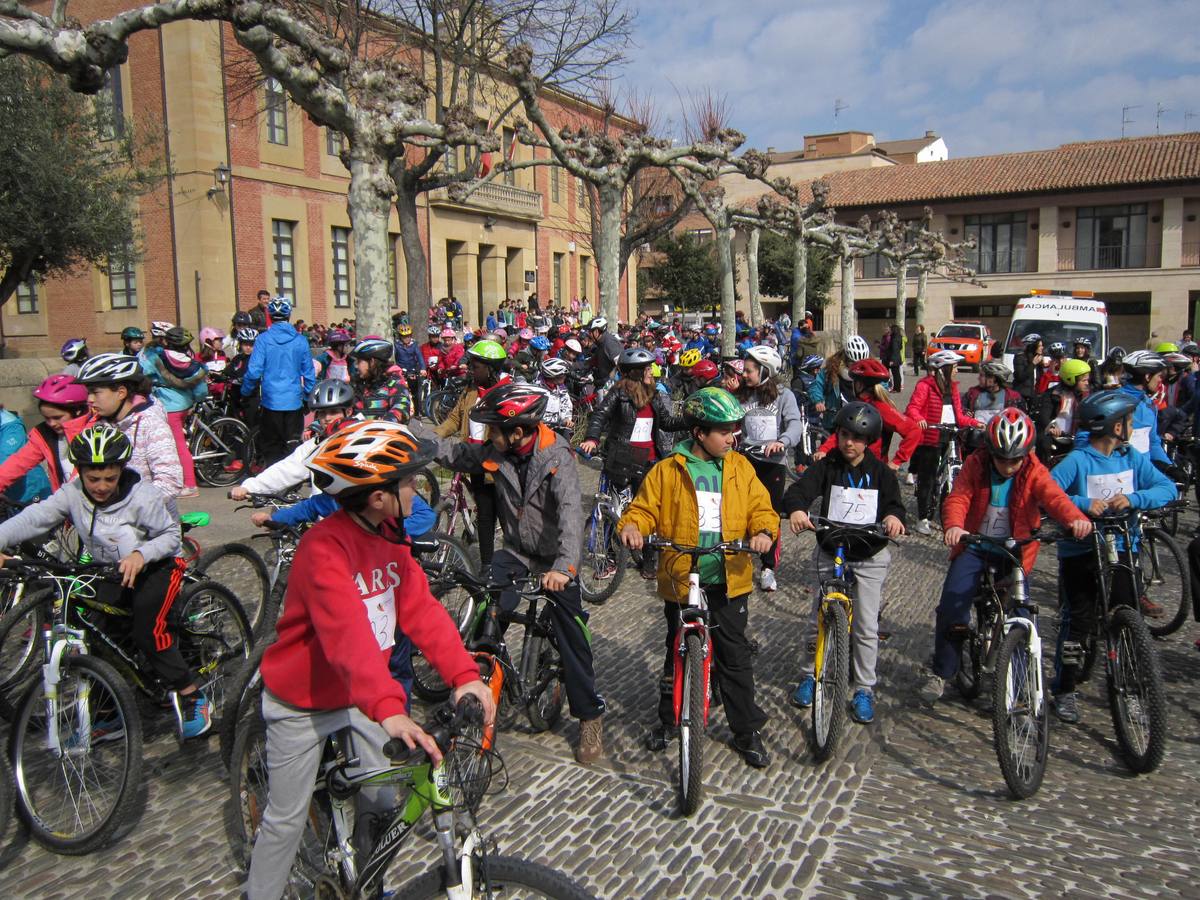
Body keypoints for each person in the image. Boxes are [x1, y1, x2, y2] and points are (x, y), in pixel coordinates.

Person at [245, 420, 494, 899]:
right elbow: (348, 638)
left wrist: (463, 674)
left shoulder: (389, 538)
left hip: (363, 697)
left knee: (380, 800)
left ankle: (366, 877)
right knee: (286, 819)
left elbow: (420, 610)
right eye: (407, 483)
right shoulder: (324, 549)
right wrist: (390, 708)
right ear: (378, 496)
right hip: (304, 699)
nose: (417, 491)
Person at [423, 383, 606, 765]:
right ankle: (483, 678)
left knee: (572, 634)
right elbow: (456, 453)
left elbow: (572, 516)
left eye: (494, 429)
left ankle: (589, 717)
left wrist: (565, 569)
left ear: (517, 432)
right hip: (518, 553)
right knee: (489, 614)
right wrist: (411, 439)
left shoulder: (557, 456)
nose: (488, 436)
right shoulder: (498, 451)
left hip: (556, 558)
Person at [0, 425, 210, 736]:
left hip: (158, 566)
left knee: (148, 631)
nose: (100, 486)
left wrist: (141, 554)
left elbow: (170, 537)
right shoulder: (72, 493)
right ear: (81, 472)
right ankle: (110, 711)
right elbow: (36, 517)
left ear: (121, 471)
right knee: (95, 630)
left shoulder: (142, 496)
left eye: (109, 479)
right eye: (93, 478)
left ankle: (191, 692)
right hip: (108, 568)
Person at [618, 386, 778, 767]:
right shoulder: (668, 469)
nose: (731, 437)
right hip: (681, 576)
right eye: (723, 431)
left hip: (729, 576)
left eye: (733, 430)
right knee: (676, 650)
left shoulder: (740, 467)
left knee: (734, 656)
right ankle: (669, 720)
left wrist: (762, 533)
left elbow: (762, 509)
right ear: (699, 433)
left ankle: (745, 730)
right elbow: (642, 509)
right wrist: (633, 527)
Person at [917, 408, 1092, 704]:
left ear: (1027, 454)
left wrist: (1075, 519)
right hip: (975, 545)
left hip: (1015, 552)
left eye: (1015, 460)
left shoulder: (1035, 470)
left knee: (1021, 615)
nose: (1008, 466)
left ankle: (1020, 682)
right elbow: (959, 496)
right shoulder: (975, 464)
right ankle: (942, 671)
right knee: (952, 605)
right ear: (990, 451)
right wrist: (955, 525)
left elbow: (1054, 497)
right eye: (1001, 459)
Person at [1048, 391, 1177, 722]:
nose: (1133, 427)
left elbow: (1167, 488)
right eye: (1129, 422)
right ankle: (1065, 688)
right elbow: (1047, 492)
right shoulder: (1079, 460)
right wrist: (1080, 503)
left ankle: (1133, 688)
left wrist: (1135, 498)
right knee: (1078, 621)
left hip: (1122, 548)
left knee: (1128, 619)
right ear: (1113, 426)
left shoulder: (1130, 457)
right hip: (1082, 551)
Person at [784, 402, 906, 725]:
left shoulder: (881, 473)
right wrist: (797, 508)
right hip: (831, 549)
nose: (848, 442)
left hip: (869, 554)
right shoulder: (828, 467)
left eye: (857, 437)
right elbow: (799, 490)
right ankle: (810, 674)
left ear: (869, 442)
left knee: (867, 625)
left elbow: (895, 504)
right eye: (844, 435)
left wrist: (893, 517)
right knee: (817, 619)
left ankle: (864, 688)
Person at [580, 348, 686, 578]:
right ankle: (607, 558)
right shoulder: (619, 394)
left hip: (647, 462)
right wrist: (591, 438)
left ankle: (648, 559)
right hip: (621, 459)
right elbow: (600, 415)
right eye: (648, 369)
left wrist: (689, 420)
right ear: (636, 373)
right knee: (610, 510)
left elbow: (667, 422)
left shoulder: (654, 395)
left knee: (649, 511)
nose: (652, 372)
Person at [434, 339, 510, 566]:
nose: (470, 369)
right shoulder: (470, 391)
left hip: (499, 466)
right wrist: (433, 438)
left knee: (507, 519)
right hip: (475, 461)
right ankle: (487, 566)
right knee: (485, 518)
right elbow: (455, 419)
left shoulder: (506, 391)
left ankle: (515, 563)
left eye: (476, 366)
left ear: (491, 368)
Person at [736, 346, 802, 592]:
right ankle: (740, 559)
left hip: (772, 464)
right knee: (740, 512)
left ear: (765, 371)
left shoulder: (784, 396)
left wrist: (782, 441)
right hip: (745, 462)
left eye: (750, 371)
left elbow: (794, 424)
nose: (745, 375)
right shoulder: (741, 395)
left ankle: (767, 568)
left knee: (770, 516)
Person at [75, 353, 184, 502]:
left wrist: (126, 507)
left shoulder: (151, 424)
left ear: (121, 393)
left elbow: (170, 482)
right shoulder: (99, 425)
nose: (90, 400)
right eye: (88, 393)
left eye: (95, 393)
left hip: (148, 520)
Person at [904, 350, 980, 535]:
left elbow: (959, 416)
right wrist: (919, 418)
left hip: (950, 436)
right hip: (930, 438)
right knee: (928, 479)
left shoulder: (953, 388)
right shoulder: (925, 386)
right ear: (943, 369)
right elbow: (912, 408)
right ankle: (923, 518)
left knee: (953, 475)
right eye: (954, 367)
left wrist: (976, 423)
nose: (956, 370)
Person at [242, 298, 316, 465]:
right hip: (294, 401)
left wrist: (245, 391)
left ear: (270, 315)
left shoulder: (263, 339)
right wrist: (307, 397)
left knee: (271, 446)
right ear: (289, 315)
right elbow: (309, 374)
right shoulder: (300, 340)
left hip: (270, 401)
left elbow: (253, 372)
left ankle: (273, 483)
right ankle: (292, 484)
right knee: (292, 446)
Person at [814, 358, 920, 472]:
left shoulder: (881, 408)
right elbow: (841, 434)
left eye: (853, 382)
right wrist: (824, 449)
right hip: (851, 467)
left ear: (859, 385)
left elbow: (914, 430)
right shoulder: (856, 405)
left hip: (873, 471)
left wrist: (896, 461)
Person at [140, 326, 207, 498]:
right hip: (184, 404)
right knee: (179, 443)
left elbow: (142, 371)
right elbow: (201, 391)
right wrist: (195, 400)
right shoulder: (191, 364)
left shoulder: (156, 358)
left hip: (168, 406)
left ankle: (190, 485)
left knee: (178, 446)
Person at [0, 375, 88, 495]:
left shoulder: (93, 431)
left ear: (77, 410)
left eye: (57, 417)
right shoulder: (44, 434)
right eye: (46, 418)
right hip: (64, 503)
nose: (52, 424)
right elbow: (18, 462)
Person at [1035, 357, 1091, 460]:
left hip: (1074, 440)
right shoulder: (1053, 394)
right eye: (1084, 380)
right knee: (1044, 447)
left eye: (1087, 380)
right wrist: (1051, 427)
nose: (1087, 383)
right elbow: (1044, 415)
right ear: (1071, 379)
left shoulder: (1085, 397)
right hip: (1053, 439)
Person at [810, 335, 869, 429]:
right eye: (853, 363)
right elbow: (817, 385)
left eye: (861, 364)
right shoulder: (831, 369)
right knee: (828, 442)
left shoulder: (867, 371)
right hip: (834, 418)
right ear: (846, 358)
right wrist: (818, 401)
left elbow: (880, 385)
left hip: (859, 418)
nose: (857, 367)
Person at [349, 338, 412, 424]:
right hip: (358, 435)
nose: (356, 366)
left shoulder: (394, 382)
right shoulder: (357, 383)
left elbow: (401, 408)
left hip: (386, 434)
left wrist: (383, 423)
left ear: (372, 362)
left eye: (359, 361)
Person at [964, 361, 1024, 426]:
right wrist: (965, 412)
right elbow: (961, 408)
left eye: (982, 376)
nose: (978, 378)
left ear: (995, 379)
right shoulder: (973, 393)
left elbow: (1020, 417)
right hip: (977, 432)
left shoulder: (1012, 396)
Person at [1012, 333, 1045, 408]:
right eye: (1039, 346)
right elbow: (1020, 377)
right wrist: (1033, 364)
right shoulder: (1020, 358)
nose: (1042, 348)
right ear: (1033, 346)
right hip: (1022, 396)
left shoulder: (1038, 359)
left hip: (1034, 397)